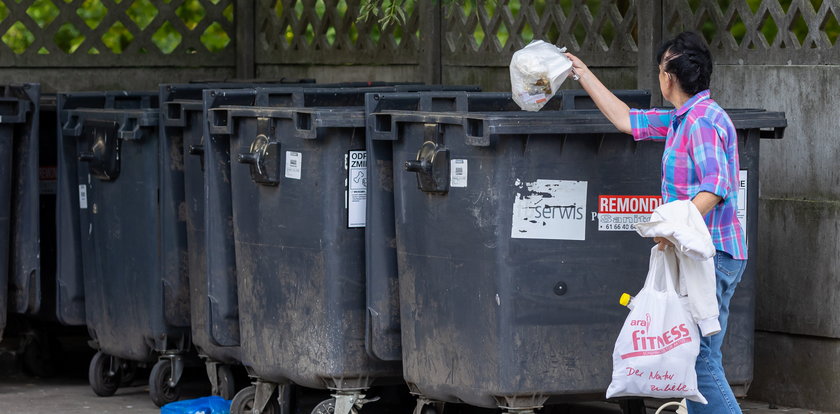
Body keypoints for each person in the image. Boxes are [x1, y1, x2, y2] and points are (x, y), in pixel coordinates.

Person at [564, 32, 746, 414]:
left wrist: (674, 230)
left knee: (699, 361)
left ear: (669, 77)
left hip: (709, 257)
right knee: (692, 361)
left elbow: (715, 187)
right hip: (703, 256)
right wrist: (582, 73)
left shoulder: (700, 122)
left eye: (660, 68)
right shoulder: (683, 118)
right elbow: (626, 120)